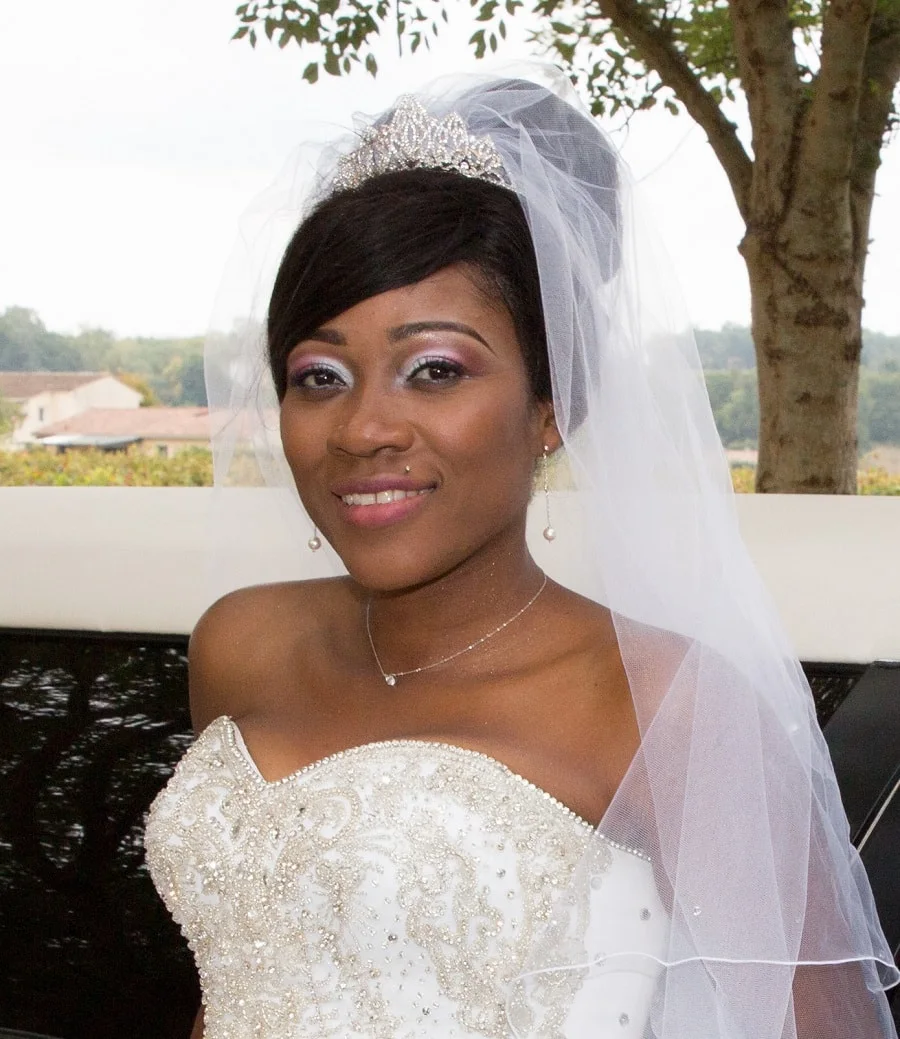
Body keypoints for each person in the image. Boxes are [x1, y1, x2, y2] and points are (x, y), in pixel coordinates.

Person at [144, 68, 898, 1038]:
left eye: (436, 370)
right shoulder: (240, 640)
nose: (365, 426)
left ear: (551, 409)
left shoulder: (665, 702)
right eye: (319, 375)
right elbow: (245, 974)